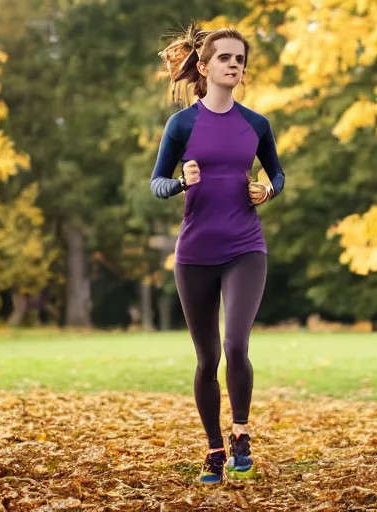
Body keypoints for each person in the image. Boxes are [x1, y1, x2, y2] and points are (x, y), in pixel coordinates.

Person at [151, 23, 285, 484]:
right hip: (194, 253)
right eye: (226, 58)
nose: (235, 65)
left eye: (240, 59)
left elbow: (278, 176)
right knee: (207, 358)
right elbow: (156, 183)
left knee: (236, 345)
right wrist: (180, 182)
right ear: (204, 68)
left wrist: (266, 190)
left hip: (245, 247)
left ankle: (241, 435)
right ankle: (212, 449)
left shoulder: (257, 124)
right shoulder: (182, 124)